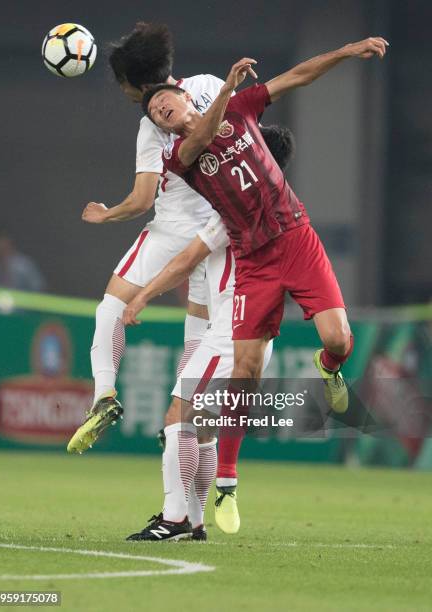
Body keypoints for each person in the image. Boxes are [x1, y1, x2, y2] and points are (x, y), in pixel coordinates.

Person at [124, 37, 389, 532]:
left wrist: (348, 51)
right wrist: (225, 86)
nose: (163, 111)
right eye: (157, 114)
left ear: (184, 97)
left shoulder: (243, 109)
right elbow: (201, 138)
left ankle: (328, 368)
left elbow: (297, 76)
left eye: (167, 101)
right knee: (243, 370)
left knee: (339, 341)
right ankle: (227, 481)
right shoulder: (180, 155)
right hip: (254, 262)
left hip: (297, 239)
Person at [124, 126, 294, 540]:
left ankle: (176, 517)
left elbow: (188, 258)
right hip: (236, 333)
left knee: (177, 418)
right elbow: (203, 284)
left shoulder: (240, 208)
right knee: (199, 429)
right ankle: (194, 523)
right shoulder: (275, 205)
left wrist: (142, 294)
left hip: (232, 335)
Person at [67, 22, 229, 453]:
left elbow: (141, 200)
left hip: (172, 232)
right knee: (197, 339)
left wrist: (107, 214)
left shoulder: (152, 123)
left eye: (122, 85)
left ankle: (103, 394)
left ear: (138, 85)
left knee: (111, 308)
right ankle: (186, 420)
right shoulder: (211, 86)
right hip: (218, 236)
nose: (123, 94)